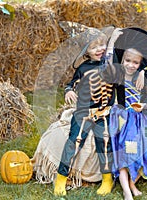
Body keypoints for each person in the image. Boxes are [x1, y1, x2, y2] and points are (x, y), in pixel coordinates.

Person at [104, 28, 147, 200]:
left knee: (146, 148)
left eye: (135, 63)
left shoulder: (145, 78)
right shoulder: (117, 74)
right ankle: (126, 190)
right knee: (126, 152)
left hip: (143, 120)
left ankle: (133, 182)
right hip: (124, 119)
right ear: (122, 59)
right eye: (127, 60)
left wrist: (144, 104)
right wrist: (112, 42)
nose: (131, 65)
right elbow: (107, 64)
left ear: (141, 64)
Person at [54, 28, 116, 196]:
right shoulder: (83, 68)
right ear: (87, 51)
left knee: (104, 144)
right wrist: (68, 91)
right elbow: (72, 83)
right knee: (73, 142)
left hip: (104, 113)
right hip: (83, 112)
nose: (100, 49)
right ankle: (61, 177)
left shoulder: (110, 66)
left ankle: (107, 179)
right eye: (94, 47)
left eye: (102, 45)